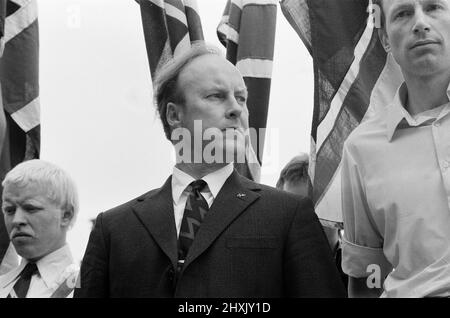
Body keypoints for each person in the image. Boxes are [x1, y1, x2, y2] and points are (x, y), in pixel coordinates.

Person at [75, 43, 346, 298]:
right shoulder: (113, 229)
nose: (236, 110)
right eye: (216, 96)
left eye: (242, 98)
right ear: (173, 115)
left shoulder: (289, 215)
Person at [341, 0, 450, 298]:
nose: (420, 23)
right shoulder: (360, 150)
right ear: (385, 38)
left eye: (433, 8)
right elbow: (365, 275)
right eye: (403, 13)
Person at [0, 160, 79, 298]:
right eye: (9, 210)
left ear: (66, 214)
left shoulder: (85, 288)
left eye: (30, 208)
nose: (17, 220)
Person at [276, 154, 347, 287]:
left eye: (316, 207)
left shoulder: (359, 268)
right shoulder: (269, 269)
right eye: (293, 208)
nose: (306, 218)